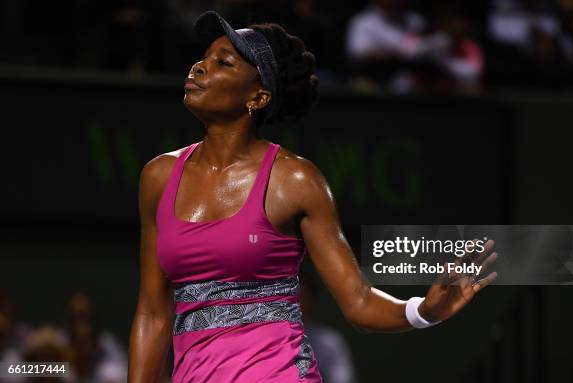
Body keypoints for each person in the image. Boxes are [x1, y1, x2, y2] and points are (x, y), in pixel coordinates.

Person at [127, 10, 497, 383]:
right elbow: (152, 313)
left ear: (257, 97)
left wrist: (424, 312)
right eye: (203, 57)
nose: (199, 67)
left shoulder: (296, 180)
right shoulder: (158, 177)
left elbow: (359, 302)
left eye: (221, 62)